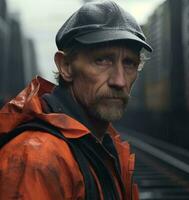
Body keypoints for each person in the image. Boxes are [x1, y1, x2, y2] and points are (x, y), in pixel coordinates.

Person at [0, 1, 152, 199]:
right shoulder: (37, 158)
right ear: (66, 66)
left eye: (130, 63)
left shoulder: (100, 145)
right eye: (102, 60)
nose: (120, 81)